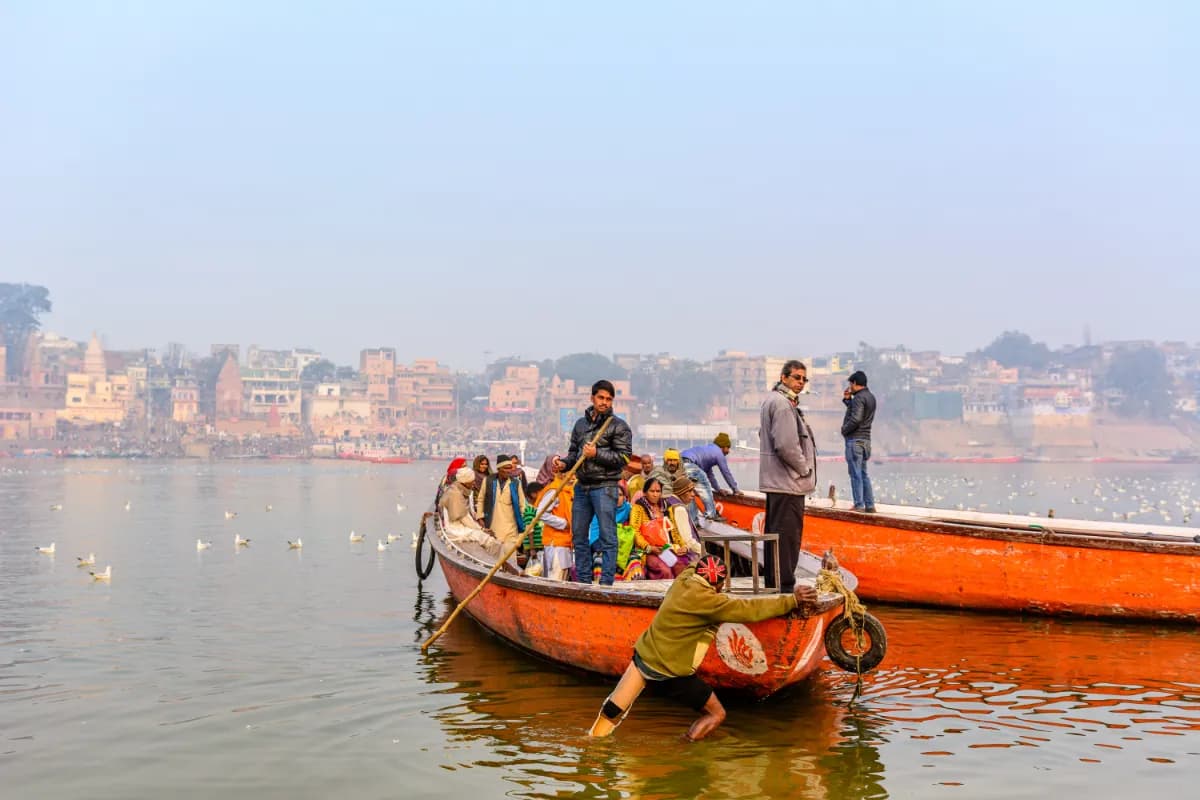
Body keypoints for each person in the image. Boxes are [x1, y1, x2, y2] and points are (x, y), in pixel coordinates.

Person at [588, 554, 818, 741]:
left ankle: (591, 744)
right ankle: (684, 749)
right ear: (718, 584)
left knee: (612, 711)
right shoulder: (710, 601)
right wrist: (792, 600)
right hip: (671, 672)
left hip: (644, 658)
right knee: (716, 714)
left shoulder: (683, 580)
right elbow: (748, 608)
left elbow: (694, 563)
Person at [554, 380, 633, 586]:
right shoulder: (580, 425)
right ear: (592, 398)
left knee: (608, 537)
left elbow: (624, 458)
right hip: (582, 486)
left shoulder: (618, 426)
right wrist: (562, 464)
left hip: (605, 486)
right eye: (601, 397)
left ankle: (606, 584)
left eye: (608, 399)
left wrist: (596, 453)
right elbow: (574, 454)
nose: (604, 402)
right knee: (579, 536)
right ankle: (584, 582)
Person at [759, 359, 817, 594]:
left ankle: (775, 584)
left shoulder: (773, 401)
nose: (800, 383)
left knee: (775, 536)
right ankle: (784, 587)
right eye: (796, 377)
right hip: (788, 482)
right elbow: (786, 445)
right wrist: (804, 470)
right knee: (787, 539)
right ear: (784, 378)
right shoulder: (782, 404)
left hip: (777, 482)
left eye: (804, 379)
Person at [631, 477, 688, 579]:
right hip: (647, 551)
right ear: (645, 492)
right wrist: (649, 547)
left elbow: (673, 530)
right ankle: (663, 594)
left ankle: (679, 593)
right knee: (664, 570)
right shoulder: (638, 507)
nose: (655, 494)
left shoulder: (666, 506)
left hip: (665, 549)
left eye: (658, 491)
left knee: (680, 566)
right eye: (652, 491)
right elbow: (634, 530)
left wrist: (683, 546)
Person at [680, 433, 742, 524]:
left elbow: (710, 475)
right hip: (689, 463)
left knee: (689, 492)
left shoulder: (708, 451)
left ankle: (694, 521)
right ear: (722, 446)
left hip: (680, 463)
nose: (728, 451)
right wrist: (735, 489)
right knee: (705, 487)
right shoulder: (718, 453)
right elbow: (726, 472)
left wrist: (718, 489)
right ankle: (711, 515)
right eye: (728, 448)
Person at [476, 454, 529, 550]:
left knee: (510, 558)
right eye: (506, 468)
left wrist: (526, 523)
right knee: (494, 560)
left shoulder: (515, 483)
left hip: (511, 529)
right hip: (492, 527)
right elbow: (481, 499)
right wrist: (480, 517)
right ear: (499, 469)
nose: (509, 470)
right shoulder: (488, 481)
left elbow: (522, 505)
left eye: (510, 468)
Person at [842, 370, 877, 513]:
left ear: (855, 383)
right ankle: (870, 505)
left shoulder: (858, 398)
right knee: (863, 473)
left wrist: (844, 429)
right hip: (866, 440)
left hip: (855, 440)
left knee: (855, 474)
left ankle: (858, 505)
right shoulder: (871, 397)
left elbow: (856, 418)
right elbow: (859, 414)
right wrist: (847, 400)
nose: (849, 387)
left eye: (850, 384)